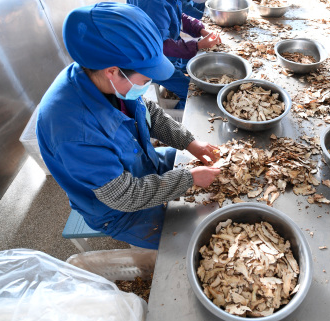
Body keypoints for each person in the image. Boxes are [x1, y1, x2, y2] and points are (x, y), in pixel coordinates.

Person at [36, 2, 220, 249]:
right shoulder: (73, 132)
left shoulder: (103, 76)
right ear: (113, 71)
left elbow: (150, 113)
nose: (148, 84)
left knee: (206, 170)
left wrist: (190, 142)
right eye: (145, 79)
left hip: (142, 161)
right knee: (199, 241)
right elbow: (123, 195)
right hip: (118, 209)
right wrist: (188, 179)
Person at [128, 0, 221, 109]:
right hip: (151, 61)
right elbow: (161, 45)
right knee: (193, 93)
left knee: (203, 63)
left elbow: (177, 16)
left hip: (166, 55)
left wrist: (200, 29)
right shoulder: (153, 4)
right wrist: (197, 45)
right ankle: (175, 121)